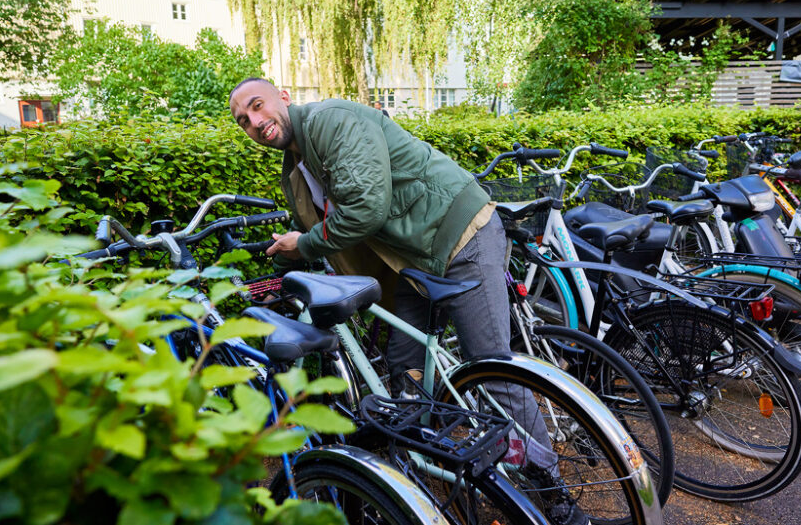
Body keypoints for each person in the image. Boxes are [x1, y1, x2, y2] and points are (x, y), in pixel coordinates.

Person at [229, 78, 587, 525]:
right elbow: (337, 229)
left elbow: (365, 209)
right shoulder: (296, 164)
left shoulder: (329, 122)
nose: (256, 122)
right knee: (404, 365)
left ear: (283, 96)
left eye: (258, 106)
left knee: (491, 369)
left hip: (460, 236)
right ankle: (427, 476)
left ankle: (553, 496)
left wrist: (303, 245)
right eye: (244, 121)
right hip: (414, 261)